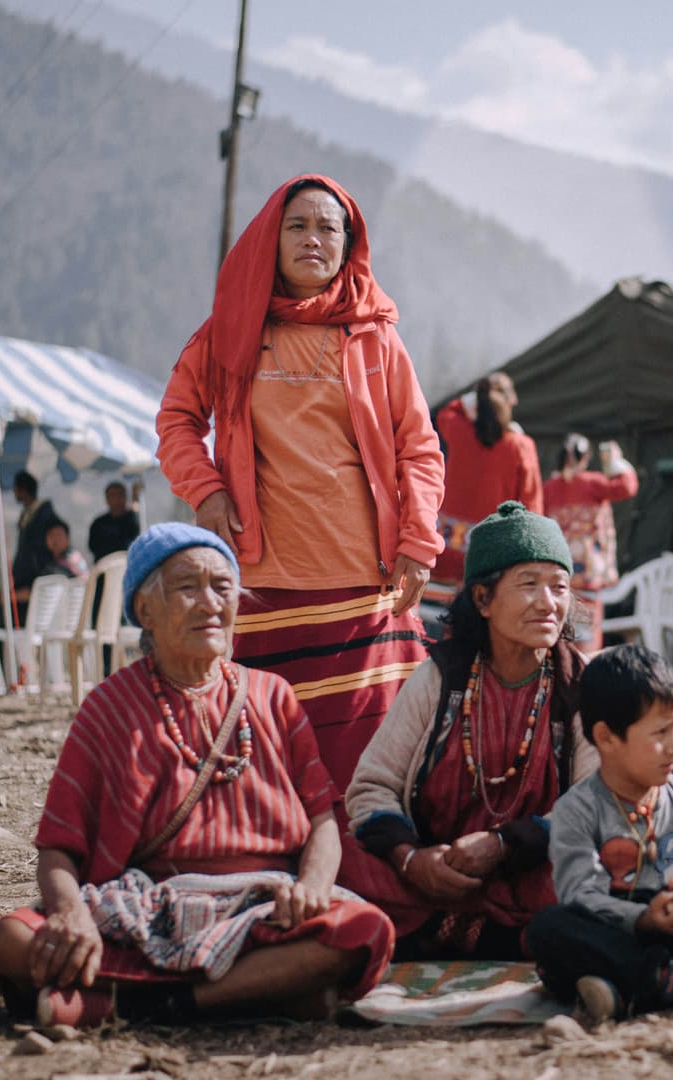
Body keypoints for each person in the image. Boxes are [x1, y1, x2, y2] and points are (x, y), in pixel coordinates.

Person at [0, 524, 395, 1028]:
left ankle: (139, 1005)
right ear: (145, 611)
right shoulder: (108, 708)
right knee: (10, 938)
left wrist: (310, 886)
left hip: (260, 906)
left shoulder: (272, 695)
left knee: (361, 930)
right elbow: (58, 846)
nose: (209, 603)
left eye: (222, 586)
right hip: (144, 906)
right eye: (187, 587)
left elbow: (324, 819)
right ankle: (259, 992)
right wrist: (70, 915)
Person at [155, 173, 445, 787]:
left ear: (348, 244)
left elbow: (419, 447)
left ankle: (361, 874)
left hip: (363, 583)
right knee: (261, 755)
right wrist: (205, 489)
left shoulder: (375, 336)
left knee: (366, 764)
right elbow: (177, 419)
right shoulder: (229, 331)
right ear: (270, 238)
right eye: (297, 225)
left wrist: (419, 542)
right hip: (261, 585)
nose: (312, 238)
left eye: (327, 228)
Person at [342, 501, 592, 959]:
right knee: (342, 854)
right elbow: (372, 786)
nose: (548, 603)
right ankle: (503, 936)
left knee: (601, 865)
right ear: (482, 599)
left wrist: (502, 845)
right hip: (434, 869)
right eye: (529, 584)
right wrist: (412, 860)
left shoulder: (581, 684)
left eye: (559, 587)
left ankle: (440, 931)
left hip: (533, 868)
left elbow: (595, 800)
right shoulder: (441, 675)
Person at [525, 644, 673, 1024]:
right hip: (614, 930)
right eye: (659, 733)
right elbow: (582, 893)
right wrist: (641, 919)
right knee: (549, 930)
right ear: (606, 738)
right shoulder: (577, 809)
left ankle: (623, 989)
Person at [431, 372, 542, 592]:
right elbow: (532, 506)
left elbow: (447, 411)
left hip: (444, 554)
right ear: (510, 401)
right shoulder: (521, 446)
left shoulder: (458, 430)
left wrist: (470, 400)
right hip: (489, 561)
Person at [543, 434, 639, 649]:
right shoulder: (593, 483)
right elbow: (627, 486)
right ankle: (584, 669)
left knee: (559, 621)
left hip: (559, 567)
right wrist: (615, 461)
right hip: (588, 571)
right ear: (584, 457)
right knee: (587, 628)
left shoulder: (548, 488)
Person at [10, 471, 64, 606]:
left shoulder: (45, 516)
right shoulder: (27, 515)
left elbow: (47, 550)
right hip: (25, 579)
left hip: (37, 580)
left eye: (16, 489)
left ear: (23, 490)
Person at [88, 480, 142, 561]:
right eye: (113, 495)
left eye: (120, 495)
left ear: (126, 497)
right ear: (107, 499)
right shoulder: (99, 523)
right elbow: (92, 546)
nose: (117, 499)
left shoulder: (133, 519)